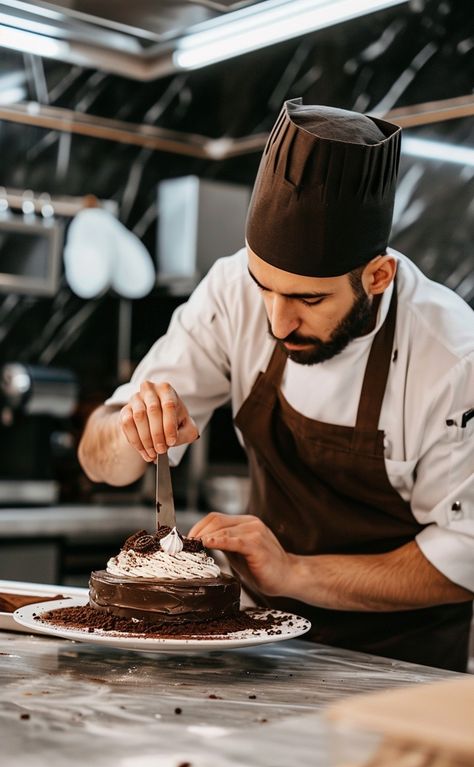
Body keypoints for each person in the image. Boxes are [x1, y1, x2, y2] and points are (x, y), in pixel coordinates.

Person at [78, 99, 474, 671]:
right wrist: (129, 432)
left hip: (399, 666)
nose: (277, 321)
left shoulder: (452, 359)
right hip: (258, 646)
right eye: (265, 286)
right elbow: (100, 461)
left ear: (378, 276)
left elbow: (463, 560)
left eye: (309, 299)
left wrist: (294, 572)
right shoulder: (230, 292)